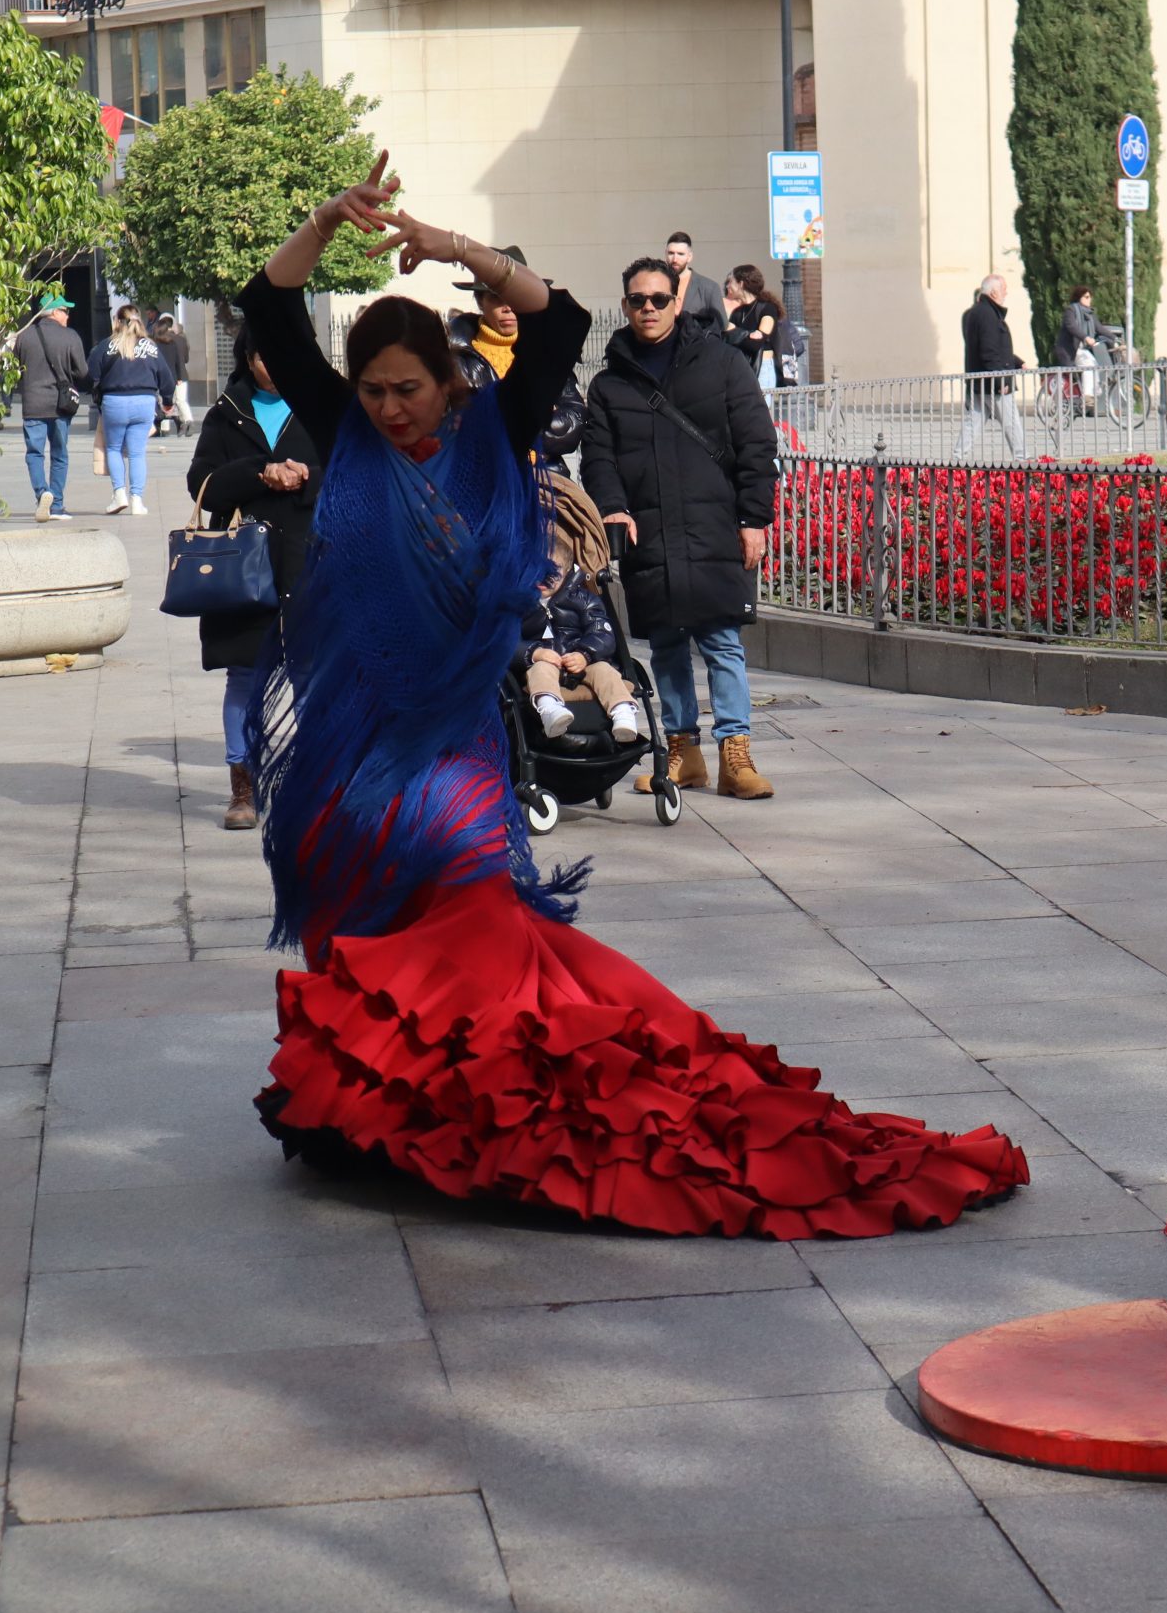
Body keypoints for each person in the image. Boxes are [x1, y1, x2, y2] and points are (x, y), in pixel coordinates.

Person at [239, 154, 1025, 1238]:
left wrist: (460, 251)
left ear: (449, 387)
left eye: (405, 390)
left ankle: (485, 1112)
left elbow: (557, 321)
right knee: (368, 917)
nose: (386, 410)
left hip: (456, 743)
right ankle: (377, 1117)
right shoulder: (346, 436)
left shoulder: (485, 439)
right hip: (357, 739)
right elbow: (270, 308)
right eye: (371, 392)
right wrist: (328, 218)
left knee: (468, 917)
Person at [582, 256, 780, 801]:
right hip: (650, 533)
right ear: (625, 306)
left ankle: (734, 754)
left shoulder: (720, 362)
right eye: (638, 300)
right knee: (666, 645)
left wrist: (754, 518)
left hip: (714, 525)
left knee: (722, 643)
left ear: (677, 302)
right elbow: (599, 458)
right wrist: (613, 507)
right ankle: (683, 754)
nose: (648, 308)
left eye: (659, 299)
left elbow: (758, 443)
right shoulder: (608, 383)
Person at [187, 322, 322, 833]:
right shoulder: (226, 413)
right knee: (244, 677)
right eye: (265, 355)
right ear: (248, 357)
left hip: (310, 559)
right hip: (245, 569)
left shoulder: (321, 407)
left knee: (313, 677)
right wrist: (258, 474)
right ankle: (242, 786)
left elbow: (354, 470)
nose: (275, 366)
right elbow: (201, 481)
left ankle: (317, 782)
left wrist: (305, 476)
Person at [448, 244, 587, 471]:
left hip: (547, 480)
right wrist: (536, 418)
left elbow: (574, 423)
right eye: (496, 298)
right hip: (479, 478)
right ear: (480, 301)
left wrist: (506, 427)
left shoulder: (546, 349)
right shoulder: (454, 357)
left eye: (513, 297)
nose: (508, 307)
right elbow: (456, 429)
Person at [524, 560, 644, 743]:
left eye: (551, 572)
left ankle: (623, 712)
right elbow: (506, 642)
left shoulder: (584, 599)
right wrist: (535, 652)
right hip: (547, 664)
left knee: (605, 670)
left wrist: (585, 653)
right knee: (539, 670)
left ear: (566, 572)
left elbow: (602, 634)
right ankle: (550, 710)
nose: (543, 577)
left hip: (584, 662)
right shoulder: (520, 605)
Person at [90, 304, 174, 515]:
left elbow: (90, 371)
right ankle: (137, 500)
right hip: (144, 402)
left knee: (114, 449)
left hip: (114, 402)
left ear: (117, 322)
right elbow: (167, 378)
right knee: (137, 453)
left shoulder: (106, 345)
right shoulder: (151, 346)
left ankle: (119, 494)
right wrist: (167, 400)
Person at [16, 291, 88, 521]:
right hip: (60, 404)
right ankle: (56, 504)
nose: (68, 316)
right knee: (59, 453)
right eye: (65, 311)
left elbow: (15, 366)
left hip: (32, 403)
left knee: (34, 453)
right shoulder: (70, 337)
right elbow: (82, 371)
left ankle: (42, 493)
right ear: (55, 312)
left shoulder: (24, 336)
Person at [952, 275, 1027, 460]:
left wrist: (1017, 362)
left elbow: (995, 348)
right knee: (1011, 422)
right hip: (993, 382)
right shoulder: (988, 314)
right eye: (1003, 289)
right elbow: (989, 350)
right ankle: (1022, 459)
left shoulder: (979, 312)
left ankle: (957, 458)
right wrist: (1000, 379)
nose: (1006, 293)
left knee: (973, 422)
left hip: (981, 382)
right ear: (993, 292)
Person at [723, 263, 783, 394]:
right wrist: (747, 334)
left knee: (760, 411)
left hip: (762, 367)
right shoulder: (737, 312)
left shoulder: (767, 308)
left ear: (741, 284)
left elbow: (755, 345)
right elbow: (726, 339)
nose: (727, 286)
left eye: (730, 282)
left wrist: (734, 331)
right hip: (740, 367)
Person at [662, 231, 726, 330]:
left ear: (690, 257)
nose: (675, 259)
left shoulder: (709, 288)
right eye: (671, 253)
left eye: (680, 254)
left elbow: (721, 326)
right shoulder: (657, 284)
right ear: (665, 254)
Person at [150, 314, 195, 437]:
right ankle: (185, 422)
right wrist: (180, 377)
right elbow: (182, 360)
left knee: (167, 400)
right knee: (179, 400)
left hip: (164, 377)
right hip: (176, 376)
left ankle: (167, 427)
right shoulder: (177, 340)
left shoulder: (154, 344)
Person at [1060, 285, 1100, 401]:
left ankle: (1093, 394)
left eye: (1090, 297)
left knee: (1095, 363)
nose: (1089, 299)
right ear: (1079, 298)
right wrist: (1085, 337)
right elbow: (1072, 327)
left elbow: (1100, 328)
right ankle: (1087, 395)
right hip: (1069, 350)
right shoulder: (1071, 311)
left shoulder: (1089, 314)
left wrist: (1116, 339)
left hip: (1081, 350)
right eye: (1086, 297)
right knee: (1089, 363)